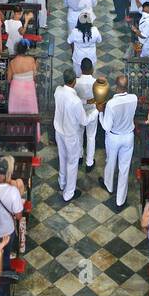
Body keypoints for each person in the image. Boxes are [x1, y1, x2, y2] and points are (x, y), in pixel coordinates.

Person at [101, 73, 138, 210]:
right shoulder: (134, 98)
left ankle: (109, 185)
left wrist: (100, 113)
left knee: (111, 162)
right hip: (128, 136)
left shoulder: (111, 104)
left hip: (114, 137)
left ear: (116, 87)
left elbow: (106, 127)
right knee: (124, 168)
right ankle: (120, 200)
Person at [54, 65, 87, 202]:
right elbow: (84, 121)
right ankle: (69, 193)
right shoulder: (75, 101)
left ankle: (62, 182)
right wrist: (96, 110)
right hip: (70, 135)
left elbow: (72, 102)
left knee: (62, 156)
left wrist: (84, 102)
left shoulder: (58, 91)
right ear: (74, 81)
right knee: (72, 162)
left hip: (59, 131)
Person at [75, 56, 99, 171]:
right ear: (92, 69)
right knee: (91, 136)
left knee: (79, 134)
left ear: (81, 69)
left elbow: (73, 98)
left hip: (79, 111)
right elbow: (99, 99)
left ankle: (79, 156)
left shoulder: (76, 82)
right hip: (92, 111)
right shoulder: (96, 83)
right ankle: (89, 162)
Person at [7, 38, 39, 115]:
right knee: (30, 111)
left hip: (16, 89)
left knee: (16, 111)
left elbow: (8, 79)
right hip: (29, 89)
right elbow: (34, 76)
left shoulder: (12, 62)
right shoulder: (31, 60)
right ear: (26, 50)